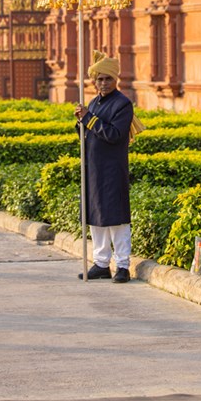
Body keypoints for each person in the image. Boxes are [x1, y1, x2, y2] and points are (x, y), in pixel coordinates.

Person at [74, 50, 143, 284]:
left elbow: (114, 134)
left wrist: (89, 119)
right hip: (94, 167)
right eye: (99, 79)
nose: (103, 83)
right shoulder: (94, 102)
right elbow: (89, 132)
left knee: (116, 218)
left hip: (113, 168)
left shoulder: (122, 104)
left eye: (107, 79)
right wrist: (81, 120)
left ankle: (122, 264)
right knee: (96, 215)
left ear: (116, 80)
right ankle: (101, 262)